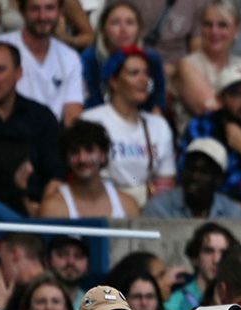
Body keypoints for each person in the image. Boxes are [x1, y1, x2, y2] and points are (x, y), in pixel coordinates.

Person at [0, 42, 63, 217]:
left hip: (33, 217)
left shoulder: (41, 117)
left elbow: (56, 174)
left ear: (18, 73)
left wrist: (42, 213)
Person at [178, 65, 241, 215]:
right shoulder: (201, 127)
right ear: (220, 100)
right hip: (206, 215)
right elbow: (189, 187)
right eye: (236, 95)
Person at [81, 47, 176, 207]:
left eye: (146, 73)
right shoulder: (92, 120)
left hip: (149, 208)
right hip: (102, 205)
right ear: (114, 81)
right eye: (134, 73)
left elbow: (166, 181)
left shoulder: (159, 125)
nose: (143, 80)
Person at [171, 0, 241, 130]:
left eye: (222, 25)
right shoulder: (187, 66)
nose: (214, 31)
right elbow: (216, 114)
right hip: (205, 143)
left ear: (237, 30)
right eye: (207, 24)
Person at [0, 0, 85, 123]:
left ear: (60, 11)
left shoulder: (70, 57)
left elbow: (73, 113)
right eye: (35, 9)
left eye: (49, 8)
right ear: (22, 11)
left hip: (53, 137)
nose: (42, 16)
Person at [39, 119, 141, 219]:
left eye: (89, 150)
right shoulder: (52, 208)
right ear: (66, 158)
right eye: (74, 152)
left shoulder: (128, 206)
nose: (82, 159)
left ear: (103, 155)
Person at [80, 0, 165, 113]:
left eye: (130, 23)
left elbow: (156, 107)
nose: (123, 29)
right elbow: (88, 105)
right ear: (103, 29)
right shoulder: (90, 59)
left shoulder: (151, 59)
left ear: (139, 29)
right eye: (115, 23)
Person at [141, 136, 241, 219]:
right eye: (190, 169)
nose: (195, 176)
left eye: (204, 172)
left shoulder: (232, 213)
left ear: (219, 179)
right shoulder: (159, 208)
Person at [165, 221, 235, 310]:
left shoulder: (238, 297)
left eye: (223, 252)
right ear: (195, 258)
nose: (217, 260)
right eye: (209, 251)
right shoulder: (175, 303)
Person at [0, 231, 46, 310]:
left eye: (1, 260)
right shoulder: (18, 292)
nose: (0, 267)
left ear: (15, 254)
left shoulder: (45, 293)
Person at [45, 234, 88, 309]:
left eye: (78, 256)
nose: (71, 261)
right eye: (63, 254)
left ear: (88, 265)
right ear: (47, 261)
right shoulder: (31, 301)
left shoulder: (94, 308)